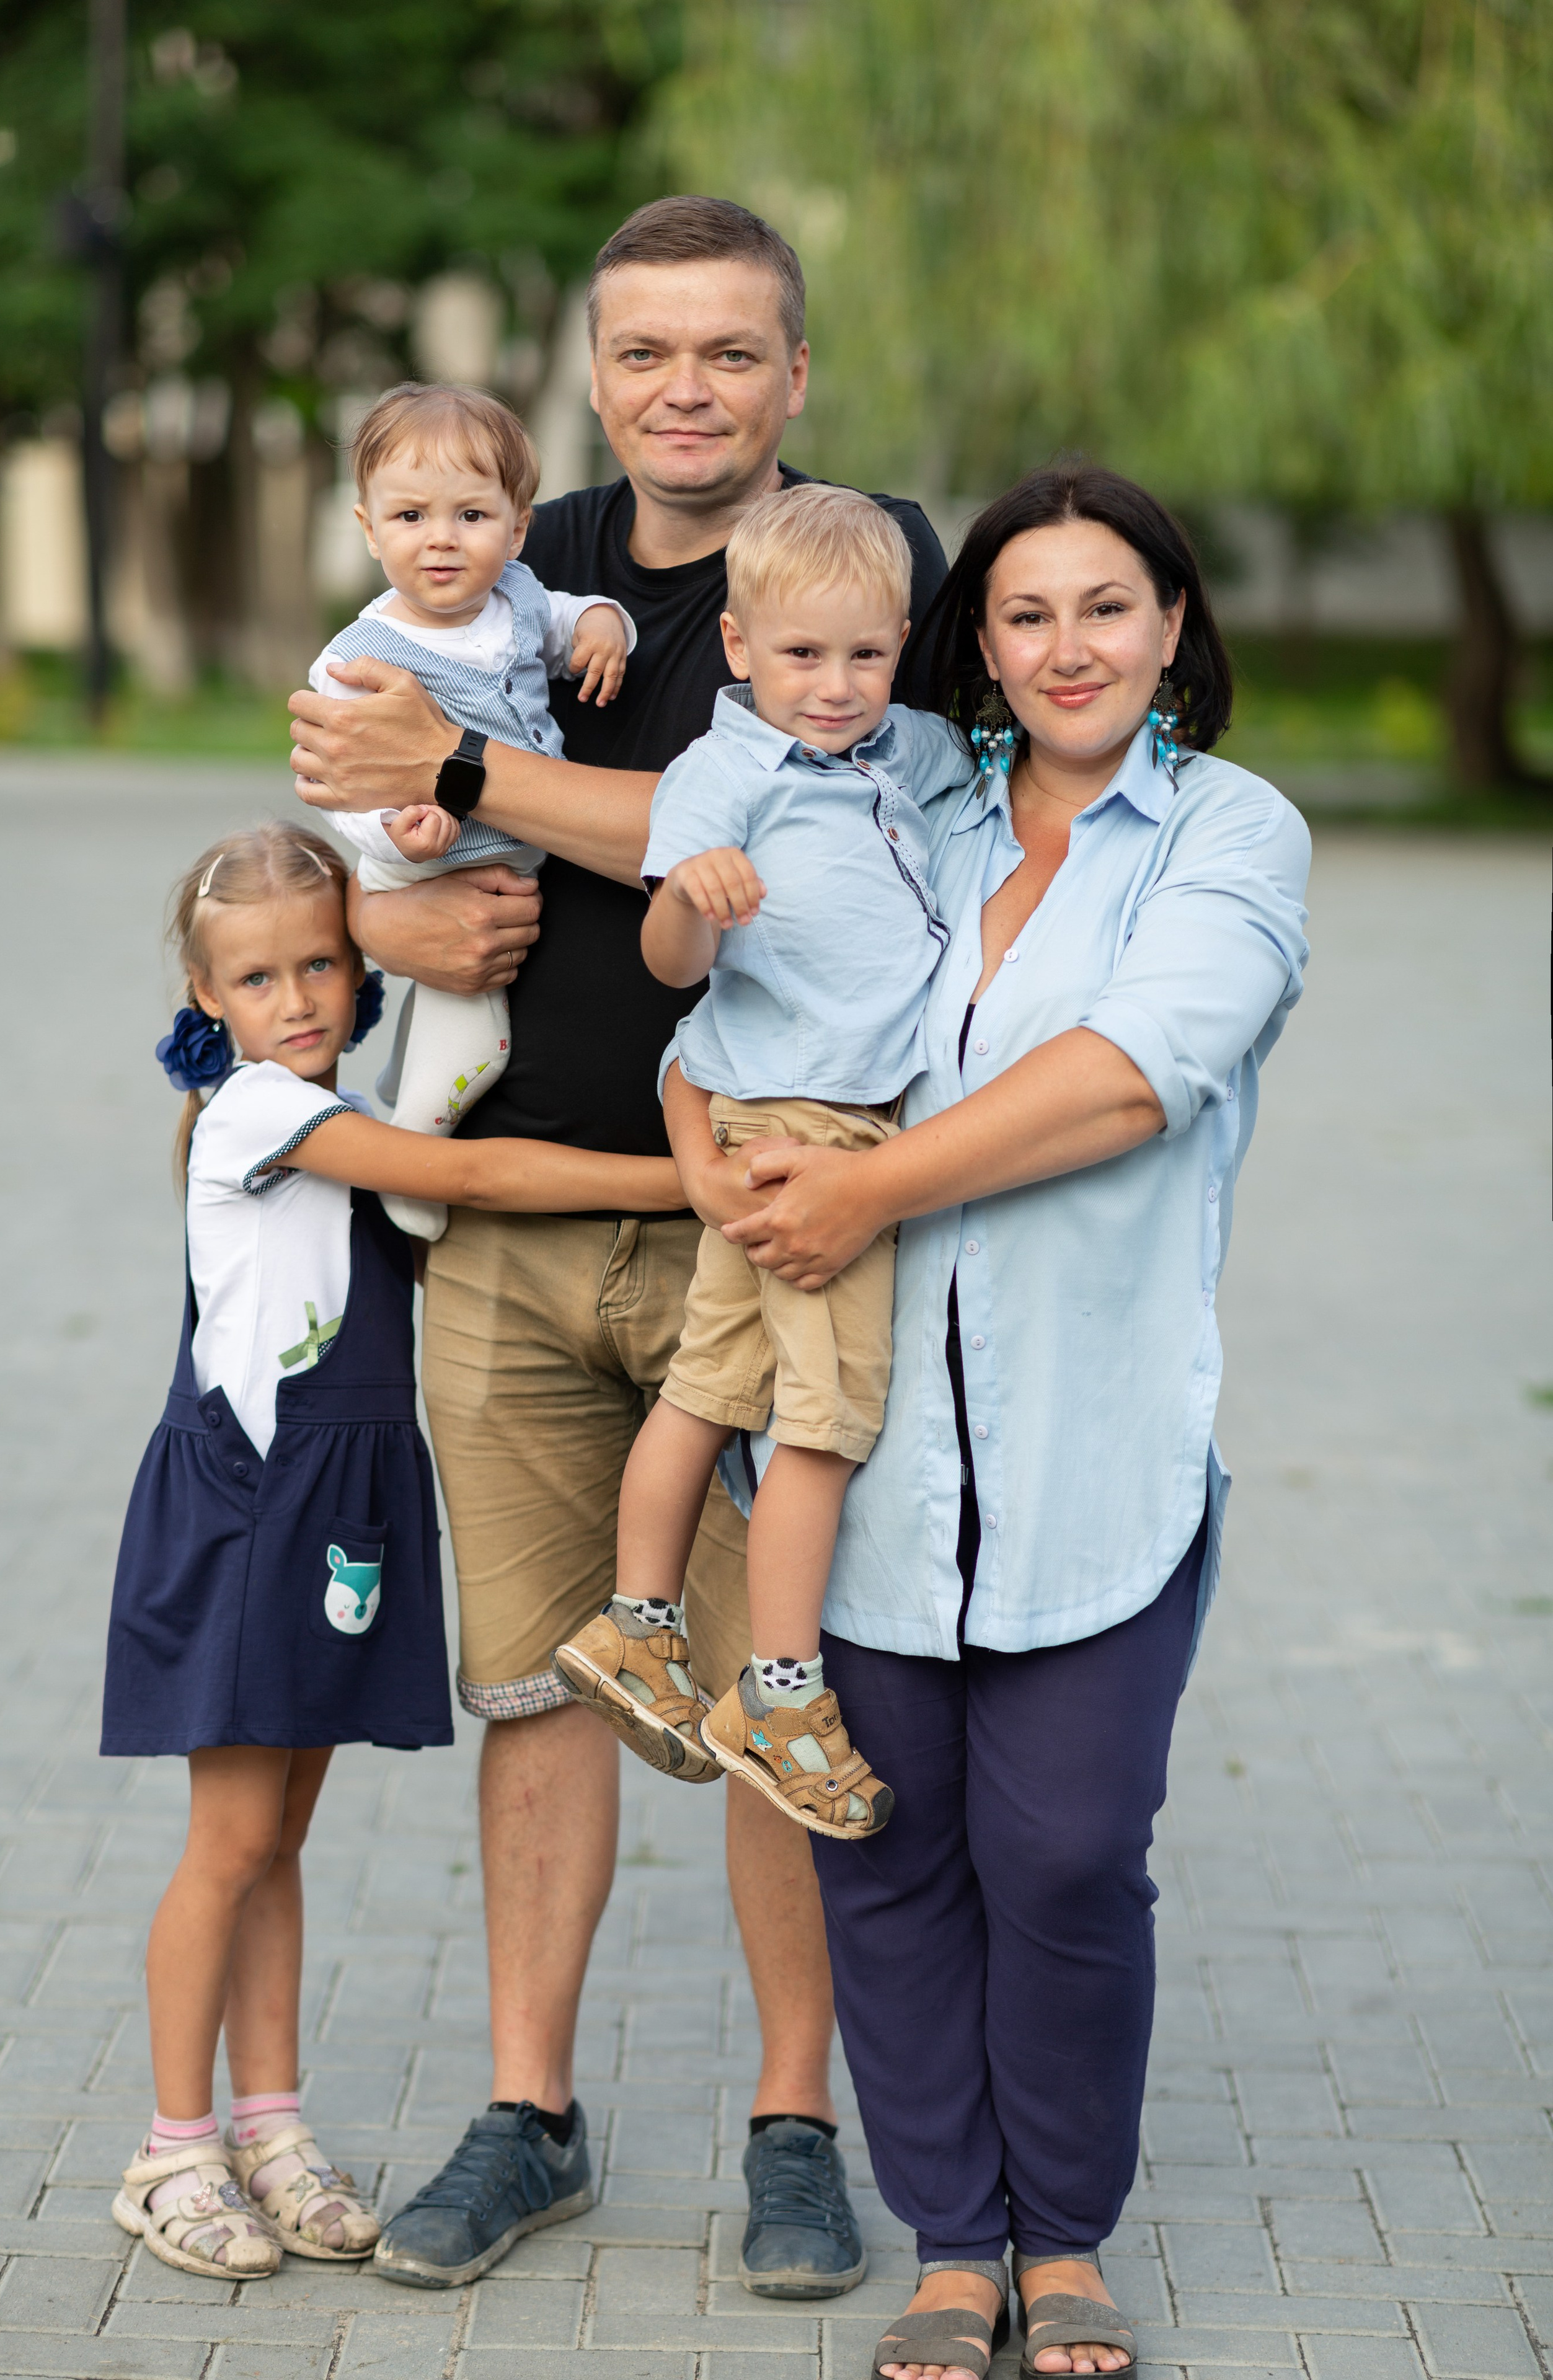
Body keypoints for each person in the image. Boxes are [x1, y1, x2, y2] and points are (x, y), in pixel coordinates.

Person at [287, 195, 947, 2296]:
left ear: (796, 378)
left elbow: (701, 815)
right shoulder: (506, 541)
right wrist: (373, 915)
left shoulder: (851, 571)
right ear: (594, 371)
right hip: (511, 1226)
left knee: (775, 1683)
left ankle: (789, 2131)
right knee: (546, 1688)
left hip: (758, 1222)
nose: (688, 390)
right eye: (649, 353)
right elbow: (322, 808)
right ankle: (530, 2114)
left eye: (732, 354)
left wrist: (477, 770)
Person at [663, 464, 1311, 2378]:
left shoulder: (1226, 834)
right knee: (890, 1852)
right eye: (1025, 617)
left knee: (1070, 1854)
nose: (1066, 648)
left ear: (1173, 624)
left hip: (1097, 1450)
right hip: (860, 1448)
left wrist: (869, 1187)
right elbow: (732, 940)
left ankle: (1071, 2235)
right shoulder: (916, 810)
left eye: (1105, 608)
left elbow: (1132, 1080)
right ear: (985, 648)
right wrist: (715, 1143)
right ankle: (958, 2242)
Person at [103, 821, 683, 2283]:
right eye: (256, 976)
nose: (295, 997)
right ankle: (171, 2150)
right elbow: (467, 1180)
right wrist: (679, 1186)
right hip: (248, 1511)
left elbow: (419, 1217)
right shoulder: (252, 1115)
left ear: (359, 965)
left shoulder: (336, 1100)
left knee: (282, 1843)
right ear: (205, 989)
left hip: (335, 1515)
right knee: (227, 1844)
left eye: (319, 962)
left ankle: (272, 2128)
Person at [554, 482, 971, 1843]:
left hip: (779, 1118)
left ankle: (636, 1627)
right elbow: (665, 962)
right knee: (823, 1422)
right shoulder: (719, 776)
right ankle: (779, 1694)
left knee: (712, 1380)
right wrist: (690, 899)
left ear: (900, 642)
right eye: (801, 656)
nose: (835, 685)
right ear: (738, 648)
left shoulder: (908, 751)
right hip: (811, 1128)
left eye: (864, 653)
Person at [309, 380, 635, 1242]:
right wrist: (393, 831)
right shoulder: (360, 657)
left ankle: (396, 1092)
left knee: (451, 1007)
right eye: (410, 517)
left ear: (517, 528)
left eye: (472, 517)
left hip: (509, 847)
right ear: (370, 528)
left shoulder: (521, 599)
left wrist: (606, 625)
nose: (441, 541)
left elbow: (572, 622)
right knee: (478, 1034)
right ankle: (413, 1154)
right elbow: (339, 786)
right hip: (429, 858)